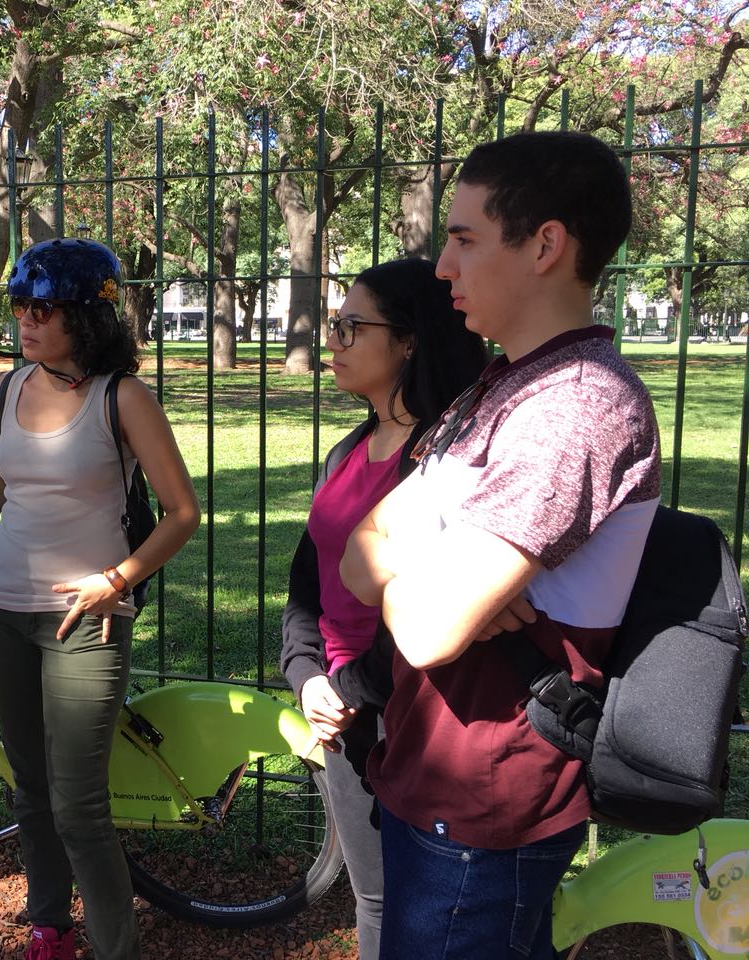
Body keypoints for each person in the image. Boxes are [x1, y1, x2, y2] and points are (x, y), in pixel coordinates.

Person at [338, 132, 661, 959]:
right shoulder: (502, 387)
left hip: (483, 810)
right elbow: (355, 548)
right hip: (430, 779)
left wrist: (424, 562)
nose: (442, 266)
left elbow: (423, 627)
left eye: (465, 238)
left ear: (546, 244)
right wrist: (435, 563)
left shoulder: (575, 406)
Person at [0, 238, 200, 960]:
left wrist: (116, 580)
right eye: (20, 309)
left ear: (87, 318)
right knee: (30, 789)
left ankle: (114, 947)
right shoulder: (6, 389)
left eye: (44, 310)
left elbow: (182, 512)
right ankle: (50, 928)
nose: (26, 324)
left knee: (79, 805)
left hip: (85, 619)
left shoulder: (121, 397)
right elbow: (8, 472)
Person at [279, 257, 486, 959]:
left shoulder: (448, 461)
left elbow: (441, 602)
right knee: (373, 898)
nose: (332, 339)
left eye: (351, 325)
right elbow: (306, 584)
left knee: (434, 904)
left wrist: (349, 687)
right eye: (335, 324)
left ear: (408, 340)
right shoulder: (346, 453)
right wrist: (306, 674)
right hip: (340, 712)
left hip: (416, 712)